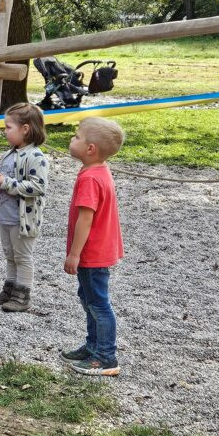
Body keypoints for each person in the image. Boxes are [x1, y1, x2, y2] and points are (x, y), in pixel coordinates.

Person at [62, 118, 126, 376]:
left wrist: (74, 254)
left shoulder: (90, 178)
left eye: (76, 136)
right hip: (98, 251)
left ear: (90, 149)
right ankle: (93, 346)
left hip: (92, 253)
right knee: (88, 299)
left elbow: (86, 218)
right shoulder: (100, 169)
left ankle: (106, 356)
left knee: (98, 303)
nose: (71, 139)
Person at [0, 103, 49, 313]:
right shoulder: (11, 154)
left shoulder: (36, 156)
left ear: (25, 129)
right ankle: (10, 289)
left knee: (22, 256)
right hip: (6, 215)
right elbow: (4, 178)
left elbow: (38, 186)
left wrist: (6, 183)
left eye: (8, 127)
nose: (5, 131)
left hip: (23, 218)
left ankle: (23, 295)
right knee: (10, 255)